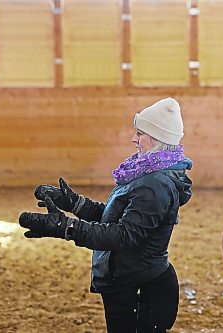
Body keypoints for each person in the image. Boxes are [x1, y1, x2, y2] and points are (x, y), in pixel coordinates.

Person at [18, 97, 193, 333]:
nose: (134, 139)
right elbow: (115, 219)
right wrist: (75, 204)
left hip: (140, 289)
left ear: (156, 139)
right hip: (131, 282)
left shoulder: (154, 183)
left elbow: (122, 235)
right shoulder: (146, 174)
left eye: (140, 133)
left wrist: (65, 228)